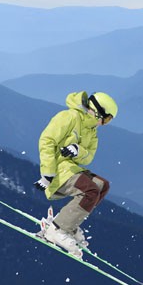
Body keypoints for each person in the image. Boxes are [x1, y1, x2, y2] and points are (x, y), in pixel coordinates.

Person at [34, 91, 118, 258]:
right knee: (90, 191)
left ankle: (69, 225)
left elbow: (89, 158)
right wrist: (48, 173)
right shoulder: (69, 117)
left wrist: (78, 151)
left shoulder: (92, 131)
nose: (105, 123)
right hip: (58, 171)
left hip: (71, 169)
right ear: (96, 111)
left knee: (102, 186)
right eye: (106, 118)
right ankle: (56, 230)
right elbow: (46, 140)